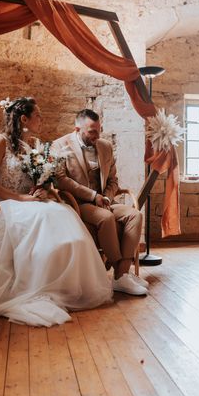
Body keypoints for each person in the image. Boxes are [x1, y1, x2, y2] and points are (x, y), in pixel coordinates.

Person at [0, 97, 112, 327]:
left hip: (28, 201)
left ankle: (62, 286)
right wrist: (20, 198)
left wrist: (41, 189)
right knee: (46, 219)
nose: (42, 119)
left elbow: (37, 181)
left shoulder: (31, 145)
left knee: (64, 216)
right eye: (38, 116)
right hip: (3, 201)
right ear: (24, 119)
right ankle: (33, 286)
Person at [53, 109, 148, 296]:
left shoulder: (105, 146)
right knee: (106, 218)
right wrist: (92, 195)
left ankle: (121, 274)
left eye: (99, 130)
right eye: (92, 132)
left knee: (135, 215)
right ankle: (121, 276)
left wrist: (106, 197)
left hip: (103, 200)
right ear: (77, 129)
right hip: (78, 202)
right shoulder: (60, 145)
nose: (97, 136)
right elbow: (61, 180)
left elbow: (113, 180)